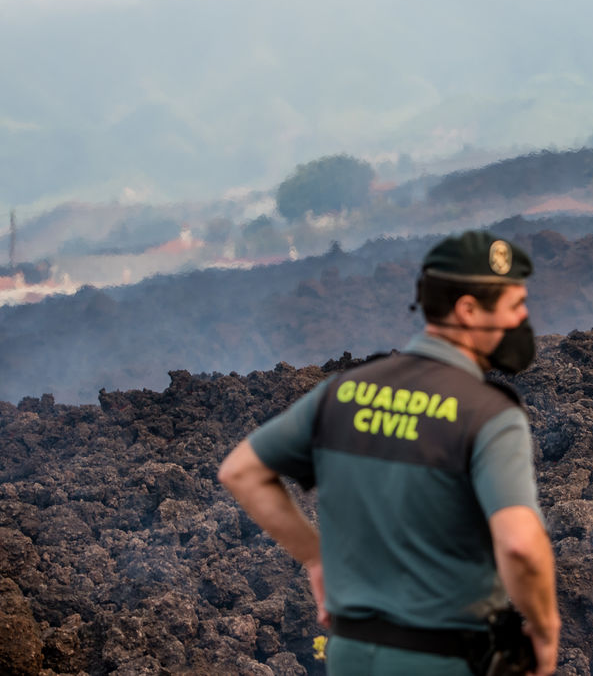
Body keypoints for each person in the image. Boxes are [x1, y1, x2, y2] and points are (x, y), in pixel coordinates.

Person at [218, 230, 559, 675]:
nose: (523, 317)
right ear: (469, 311)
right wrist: (544, 629)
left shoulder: (342, 393)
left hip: (352, 656)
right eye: (514, 304)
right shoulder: (488, 414)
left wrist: (316, 556)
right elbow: (519, 545)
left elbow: (241, 471)